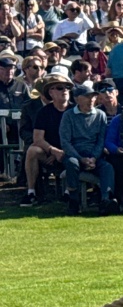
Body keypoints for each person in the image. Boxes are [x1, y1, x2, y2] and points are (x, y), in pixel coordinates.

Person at [60, 82, 115, 214]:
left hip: (94, 154)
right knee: (72, 163)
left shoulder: (100, 115)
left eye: (93, 97)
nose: (91, 100)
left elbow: (101, 140)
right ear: (77, 98)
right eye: (87, 96)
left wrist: (94, 158)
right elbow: (65, 142)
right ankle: (74, 201)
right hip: (75, 153)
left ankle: (106, 200)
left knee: (107, 167)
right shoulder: (68, 116)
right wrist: (80, 158)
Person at [21, 74, 72, 207]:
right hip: (49, 151)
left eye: (67, 88)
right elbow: (37, 138)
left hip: (72, 151)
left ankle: (70, 192)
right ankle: (31, 192)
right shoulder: (43, 112)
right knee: (32, 150)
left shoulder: (75, 111)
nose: (65, 90)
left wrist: (62, 152)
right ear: (51, 92)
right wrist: (53, 151)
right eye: (60, 88)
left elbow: (79, 138)